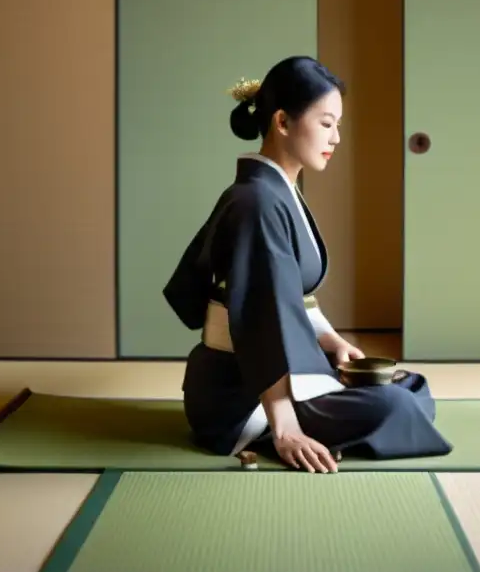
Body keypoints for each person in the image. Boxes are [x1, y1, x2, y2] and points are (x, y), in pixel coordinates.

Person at [163, 55, 452, 473]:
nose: (336, 138)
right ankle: (269, 431)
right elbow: (260, 318)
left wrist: (333, 343)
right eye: (326, 123)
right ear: (282, 122)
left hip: (279, 369)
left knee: (409, 389)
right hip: (242, 394)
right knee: (397, 404)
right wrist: (286, 428)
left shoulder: (276, 192)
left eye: (338, 126)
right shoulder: (258, 202)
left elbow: (293, 296)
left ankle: (319, 410)